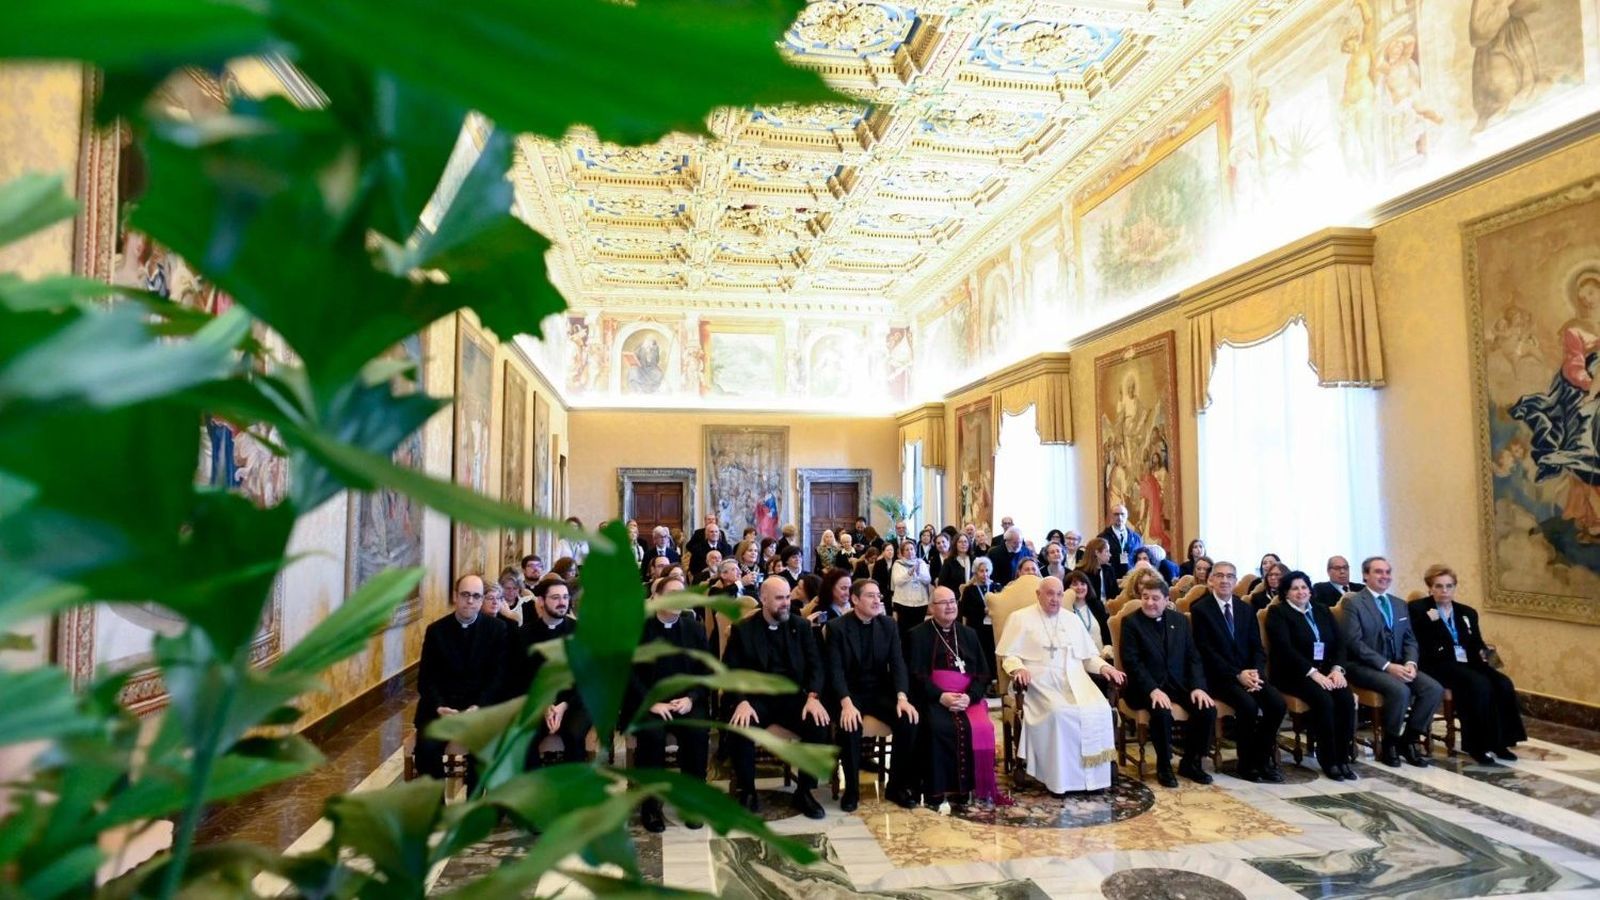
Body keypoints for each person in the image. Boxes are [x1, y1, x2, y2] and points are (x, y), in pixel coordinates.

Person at [995, 576, 1126, 793]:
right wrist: (1018, 669)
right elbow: (1008, 656)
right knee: (1059, 713)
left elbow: (1088, 657)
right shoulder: (1020, 618)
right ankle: (1061, 779)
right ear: (1038, 594)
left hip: (1076, 680)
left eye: (1059, 594)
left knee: (1099, 708)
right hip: (1038, 682)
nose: (1055, 599)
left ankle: (1093, 778)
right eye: (1049, 593)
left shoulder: (1071, 620)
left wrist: (1105, 668)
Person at [721, 577, 832, 818]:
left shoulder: (800, 626)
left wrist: (813, 697)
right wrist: (740, 700)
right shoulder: (743, 629)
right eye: (779, 598)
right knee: (741, 726)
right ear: (763, 599)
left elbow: (816, 667)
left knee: (818, 723)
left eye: (788, 597)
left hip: (792, 698)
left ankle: (804, 791)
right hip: (755, 698)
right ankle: (748, 791)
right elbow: (730, 670)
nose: (785, 603)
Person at [1408, 564, 1525, 765]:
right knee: (1478, 684)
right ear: (1430, 587)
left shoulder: (1466, 612)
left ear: (1455, 587)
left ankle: (1501, 742)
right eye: (1439, 586)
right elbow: (1419, 642)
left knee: (1503, 683)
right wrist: (1434, 622)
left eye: (1449, 586)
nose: (1444, 591)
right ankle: (1477, 746)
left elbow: (1476, 641)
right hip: (1437, 663)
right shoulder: (1418, 609)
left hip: (1468, 661)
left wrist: (1488, 657)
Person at [907, 587, 1011, 808]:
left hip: (967, 699)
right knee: (937, 727)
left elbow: (983, 674)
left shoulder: (968, 634)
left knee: (983, 728)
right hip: (934, 698)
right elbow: (916, 675)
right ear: (931, 607)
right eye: (943, 603)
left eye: (953, 601)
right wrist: (940, 696)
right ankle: (936, 792)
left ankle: (969, 790)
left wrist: (970, 697)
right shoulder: (917, 634)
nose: (949, 606)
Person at [826, 579, 921, 811]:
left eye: (878, 595)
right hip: (849, 693)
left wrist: (902, 697)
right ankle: (852, 790)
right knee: (850, 725)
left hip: (879, 690)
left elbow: (897, 663)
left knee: (908, 720)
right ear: (855, 599)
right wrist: (846, 703)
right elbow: (835, 670)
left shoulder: (888, 624)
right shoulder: (837, 627)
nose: (877, 600)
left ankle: (896, 786)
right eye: (870, 596)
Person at [1340, 556, 1443, 768]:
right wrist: (1387, 667)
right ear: (1366, 575)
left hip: (1399, 664)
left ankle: (1410, 740)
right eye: (1378, 572)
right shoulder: (1353, 603)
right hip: (1363, 666)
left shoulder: (1398, 604)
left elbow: (1409, 639)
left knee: (1433, 689)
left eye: (1387, 572)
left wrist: (1411, 664)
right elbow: (1354, 643)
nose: (1384, 576)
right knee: (1400, 691)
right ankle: (1391, 744)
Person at [627, 575, 712, 832]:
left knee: (697, 732)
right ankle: (650, 806)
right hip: (648, 703)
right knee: (652, 736)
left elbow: (706, 671)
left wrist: (692, 698)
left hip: (686, 701)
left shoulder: (694, 628)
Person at [1190, 562, 1287, 783]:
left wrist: (1255, 672)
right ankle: (1246, 764)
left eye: (1230, 576)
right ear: (1211, 580)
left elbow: (1257, 647)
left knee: (1277, 705)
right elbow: (1206, 652)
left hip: (1250, 674)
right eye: (1220, 576)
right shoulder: (1200, 609)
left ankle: (1261, 759)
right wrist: (1237, 675)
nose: (1225, 580)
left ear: (1235, 582)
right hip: (1221, 677)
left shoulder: (1245, 608)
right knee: (1248, 706)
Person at [1119, 575, 1216, 788]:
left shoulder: (1180, 621)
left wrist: (1198, 687)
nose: (1149, 603)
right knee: (1162, 711)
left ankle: (1191, 762)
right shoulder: (1131, 622)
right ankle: (1164, 765)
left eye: (1155, 598)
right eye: (1145, 597)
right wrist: (1152, 689)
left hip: (1177, 685)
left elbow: (1193, 657)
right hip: (1143, 687)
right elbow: (1132, 663)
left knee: (1207, 708)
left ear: (1166, 600)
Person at [415, 574, 507, 793]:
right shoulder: (436, 631)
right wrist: (439, 707)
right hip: (442, 707)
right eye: (465, 595)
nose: (470, 601)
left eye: (476, 596)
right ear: (455, 596)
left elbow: (498, 678)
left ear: (482, 599)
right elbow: (425, 680)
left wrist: (479, 707)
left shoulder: (496, 630)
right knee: (426, 751)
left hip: (480, 707)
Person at [1267, 570, 1357, 781]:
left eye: (1304, 587)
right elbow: (1285, 650)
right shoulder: (1278, 613)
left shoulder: (1322, 610)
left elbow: (1339, 644)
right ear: (1286, 593)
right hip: (1293, 674)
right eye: (1295, 588)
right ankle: (1329, 760)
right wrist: (1313, 673)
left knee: (1345, 699)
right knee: (1324, 701)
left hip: (1327, 671)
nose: (1301, 592)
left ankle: (1343, 758)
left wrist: (1337, 669)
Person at [525, 577, 590, 768]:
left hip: (574, 702)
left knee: (574, 733)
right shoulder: (523, 635)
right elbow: (521, 677)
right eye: (555, 597)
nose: (562, 602)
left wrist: (563, 705)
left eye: (565, 597)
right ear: (541, 601)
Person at [890, 537, 933, 639]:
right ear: (902, 552)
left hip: (920, 602)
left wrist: (918, 574)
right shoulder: (898, 564)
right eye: (907, 549)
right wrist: (909, 573)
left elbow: (927, 580)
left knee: (918, 631)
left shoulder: (921, 563)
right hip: (903, 602)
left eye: (912, 549)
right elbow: (897, 581)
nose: (910, 551)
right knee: (905, 631)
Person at [1064, 570, 1112, 656]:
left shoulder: (1096, 605)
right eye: (1075, 584)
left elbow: (1106, 629)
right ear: (1067, 588)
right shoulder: (1066, 610)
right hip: (1078, 657)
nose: (1080, 587)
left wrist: (1108, 646)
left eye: (1083, 584)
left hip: (1101, 656)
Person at [1098, 504, 1144, 579]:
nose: (1119, 517)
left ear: (1127, 516)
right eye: (1116, 514)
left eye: (1122, 514)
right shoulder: (1102, 538)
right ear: (1111, 516)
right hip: (1111, 579)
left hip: (1132, 578)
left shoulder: (1136, 538)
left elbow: (1140, 558)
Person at [1074, 537, 1117, 606]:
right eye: (1107, 551)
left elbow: (1115, 594)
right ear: (1097, 553)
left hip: (1109, 608)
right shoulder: (1080, 571)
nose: (1110, 554)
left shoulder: (1109, 569)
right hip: (1090, 608)